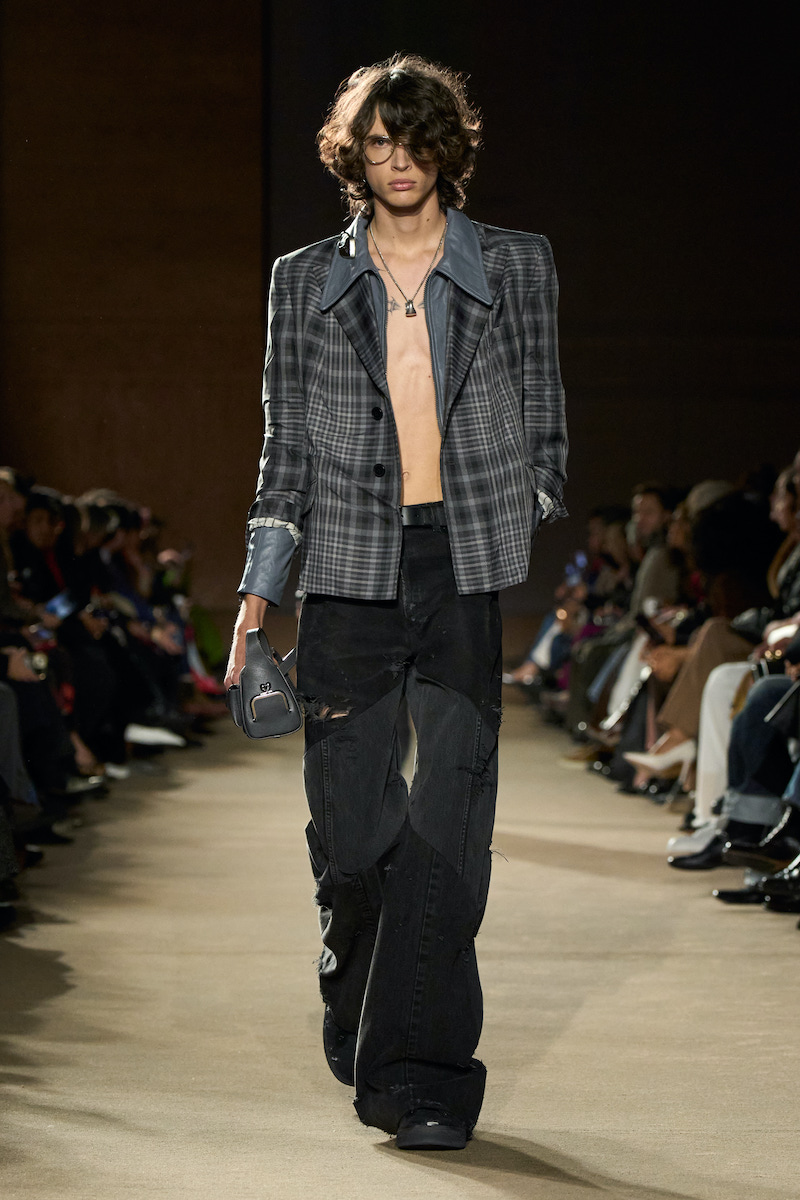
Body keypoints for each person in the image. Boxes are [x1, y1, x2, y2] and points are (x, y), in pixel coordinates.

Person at [225, 54, 567, 1150]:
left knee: (448, 825)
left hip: (459, 567)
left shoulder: (514, 264)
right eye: (378, 142)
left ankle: (421, 1079)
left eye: (416, 141)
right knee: (354, 831)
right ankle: (354, 959)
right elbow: (284, 447)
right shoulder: (302, 280)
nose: (399, 161)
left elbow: (546, 415)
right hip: (347, 570)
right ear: (354, 155)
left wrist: (520, 498)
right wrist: (257, 594)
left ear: (446, 149)